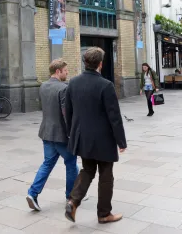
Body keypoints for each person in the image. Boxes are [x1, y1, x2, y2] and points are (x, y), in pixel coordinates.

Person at [65, 47, 127, 224]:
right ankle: (104, 214)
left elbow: (67, 112)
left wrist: (72, 133)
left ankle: (73, 201)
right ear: (100, 64)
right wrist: (121, 141)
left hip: (82, 138)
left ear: (86, 62)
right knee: (106, 175)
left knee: (87, 170)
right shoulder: (106, 85)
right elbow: (114, 117)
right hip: (103, 140)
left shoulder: (73, 82)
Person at [26, 59, 79, 211]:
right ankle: (71, 196)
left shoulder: (43, 86)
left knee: (47, 163)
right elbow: (66, 114)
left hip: (46, 132)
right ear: (58, 71)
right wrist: (72, 133)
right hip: (61, 135)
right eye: (65, 70)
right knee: (71, 163)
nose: (67, 72)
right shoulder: (63, 88)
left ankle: (32, 193)